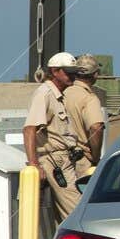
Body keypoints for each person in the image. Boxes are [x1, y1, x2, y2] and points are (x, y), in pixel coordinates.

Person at [23, 52, 92, 222]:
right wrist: (34, 164)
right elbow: (29, 129)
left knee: (66, 214)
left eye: (74, 72)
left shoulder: (58, 96)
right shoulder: (44, 94)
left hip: (64, 159)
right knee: (77, 213)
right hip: (56, 161)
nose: (73, 76)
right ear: (55, 71)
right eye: (68, 72)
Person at [63, 55, 108, 183]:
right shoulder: (89, 98)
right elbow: (96, 128)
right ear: (95, 75)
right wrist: (95, 158)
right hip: (81, 162)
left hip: (59, 159)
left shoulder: (62, 94)